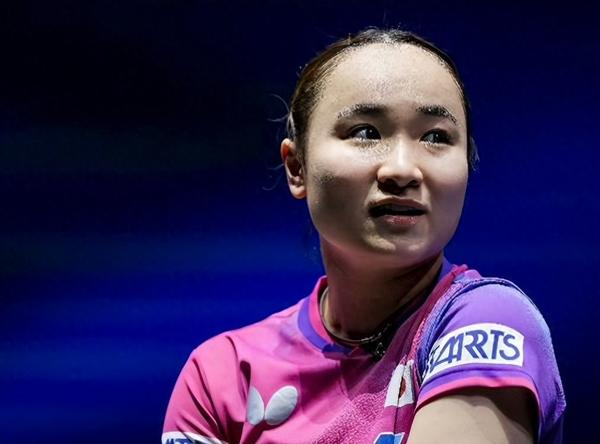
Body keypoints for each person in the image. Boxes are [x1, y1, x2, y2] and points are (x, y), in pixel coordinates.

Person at [162, 28, 566, 444]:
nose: (403, 169)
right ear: (297, 167)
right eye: (366, 132)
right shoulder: (222, 375)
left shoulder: (487, 320)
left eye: (436, 137)